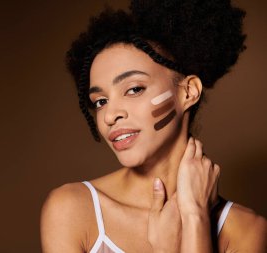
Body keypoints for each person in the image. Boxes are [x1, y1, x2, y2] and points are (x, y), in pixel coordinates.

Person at [40, 0, 266, 252]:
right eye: (100, 101)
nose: (109, 115)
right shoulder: (72, 209)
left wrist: (196, 218)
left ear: (188, 92)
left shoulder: (246, 230)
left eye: (134, 89)